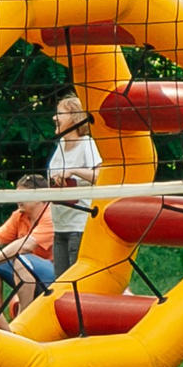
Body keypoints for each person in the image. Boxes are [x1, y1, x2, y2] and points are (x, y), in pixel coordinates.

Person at [45, 91, 101, 279]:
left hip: (80, 225)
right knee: (61, 283)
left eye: (60, 113)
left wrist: (73, 171)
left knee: (77, 282)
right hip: (60, 225)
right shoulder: (60, 145)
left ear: (75, 118)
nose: (54, 117)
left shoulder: (87, 144)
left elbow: (100, 175)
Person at [0, 177, 56, 318]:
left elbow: (24, 245)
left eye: (22, 195)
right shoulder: (20, 215)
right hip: (26, 270)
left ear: (38, 198)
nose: (17, 199)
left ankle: (24, 319)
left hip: (52, 277)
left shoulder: (50, 216)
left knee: (21, 260)